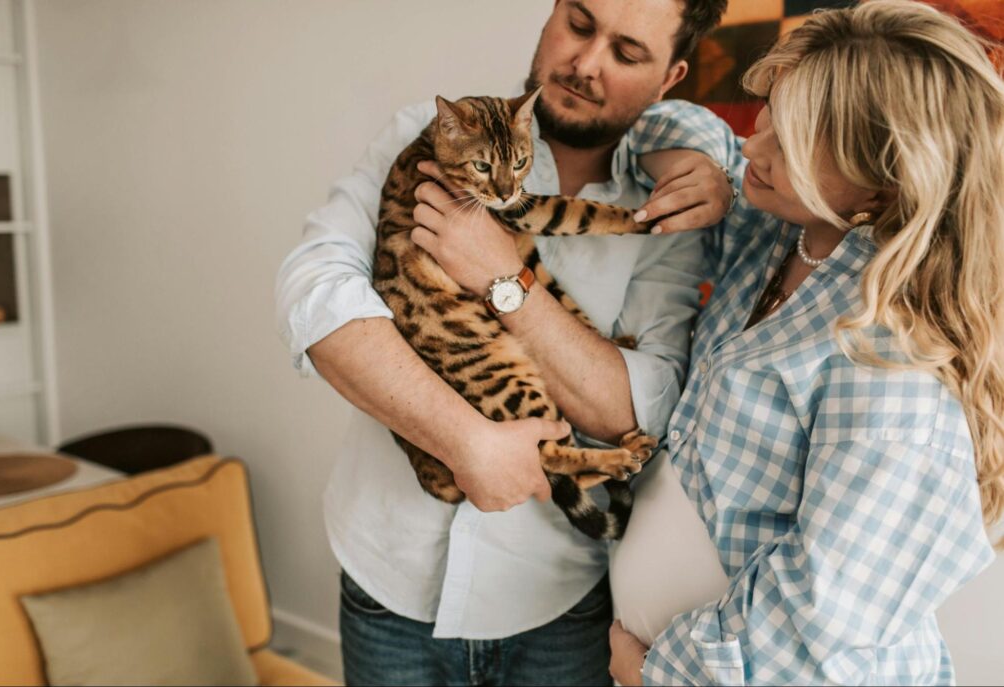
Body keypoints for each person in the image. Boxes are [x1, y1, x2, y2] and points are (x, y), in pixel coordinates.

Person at [275, 0, 735, 683]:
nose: (585, 64)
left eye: (627, 53)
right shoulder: (423, 137)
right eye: (579, 23)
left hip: (557, 609)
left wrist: (502, 276)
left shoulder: (668, 207)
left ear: (670, 77)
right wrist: (467, 442)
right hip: (386, 578)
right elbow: (314, 294)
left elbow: (638, 407)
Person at [607, 1, 1004, 684]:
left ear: (882, 184)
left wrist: (651, 670)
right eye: (767, 115)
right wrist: (701, 160)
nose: (752, 147)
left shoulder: (893, 359)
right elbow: (666, 119)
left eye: (788, 142)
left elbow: (822, 616)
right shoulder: (777, 236)